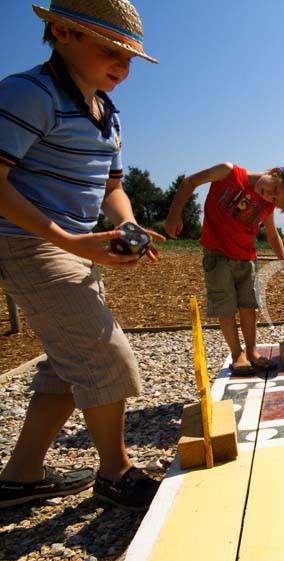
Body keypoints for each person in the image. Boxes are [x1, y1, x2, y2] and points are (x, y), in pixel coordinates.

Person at [0, 0, 164, 510]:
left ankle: (20, 476)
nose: (123, 65)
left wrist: (127, 221)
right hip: (29, 242)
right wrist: (68, 242)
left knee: (67, 366)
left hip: (69, 246)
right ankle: (115, 473)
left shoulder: (107, 113)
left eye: (130, 57)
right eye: (110, 50)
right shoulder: (29, 94)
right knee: (103, 355)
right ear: (61, 31)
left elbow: (112, 186)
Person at [165, 163, 284, 375]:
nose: (269, 196)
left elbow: (272, 235)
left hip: (246, 258)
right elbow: (190, 182)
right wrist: (174, 214)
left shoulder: (266, 206)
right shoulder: (228, 173)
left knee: (249, 307)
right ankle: (236, 354)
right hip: (217, 254)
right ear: (275, 173)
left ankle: (252, 352)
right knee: (226, 307)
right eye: (274, 190)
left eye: (275, 201)